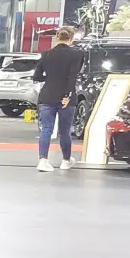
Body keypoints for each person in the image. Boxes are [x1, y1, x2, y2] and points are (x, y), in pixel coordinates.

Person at [29, 25, 86, 172]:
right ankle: (66, 160)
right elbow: (72, 77)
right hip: (66, 98)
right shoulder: (77, 54)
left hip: (47, 95)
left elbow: (36, 76)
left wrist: (51, 78)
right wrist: (68, 95)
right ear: (71, 38)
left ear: (56, 38)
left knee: (46, 129)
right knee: (64, 131)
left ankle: (43, 160)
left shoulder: (46, 54)